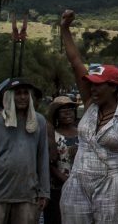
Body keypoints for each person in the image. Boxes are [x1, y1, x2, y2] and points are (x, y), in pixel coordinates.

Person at [59, 10, 118, 224]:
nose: (93, 88)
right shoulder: (89, 102)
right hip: (78, 180)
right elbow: (75, 60)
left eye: (99, 85)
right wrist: (65, 29)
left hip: (112, 183)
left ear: (114, 87)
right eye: (91, 84)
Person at [0, 78, 50, 223]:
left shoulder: (39, 121)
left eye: (25, 93)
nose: (22, 97)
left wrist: (44, 191)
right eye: (17, 93)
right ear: (9, 96)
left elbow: (43, 158)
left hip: (28, 193)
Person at [46, 96, 78, 224]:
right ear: (55, 114)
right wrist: (65, 180)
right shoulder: (51, 134)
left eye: (70, 109)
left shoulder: (83, 132)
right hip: (58, 188)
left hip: (82, 187)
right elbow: (48, 163)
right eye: (62, 110)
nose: (67, 112)